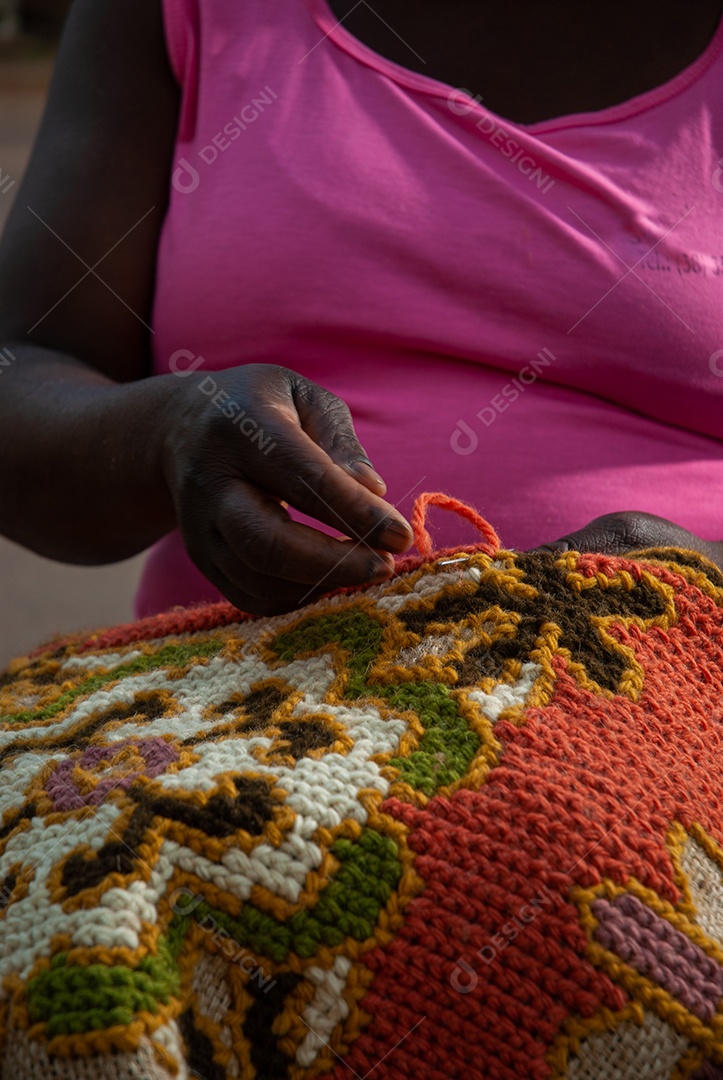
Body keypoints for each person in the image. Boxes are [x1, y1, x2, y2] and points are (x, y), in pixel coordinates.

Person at [1, 0, 723, 621]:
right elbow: (22, 367)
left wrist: (701, 576)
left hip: (677, 699)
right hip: (236, 714)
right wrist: (166, 432)